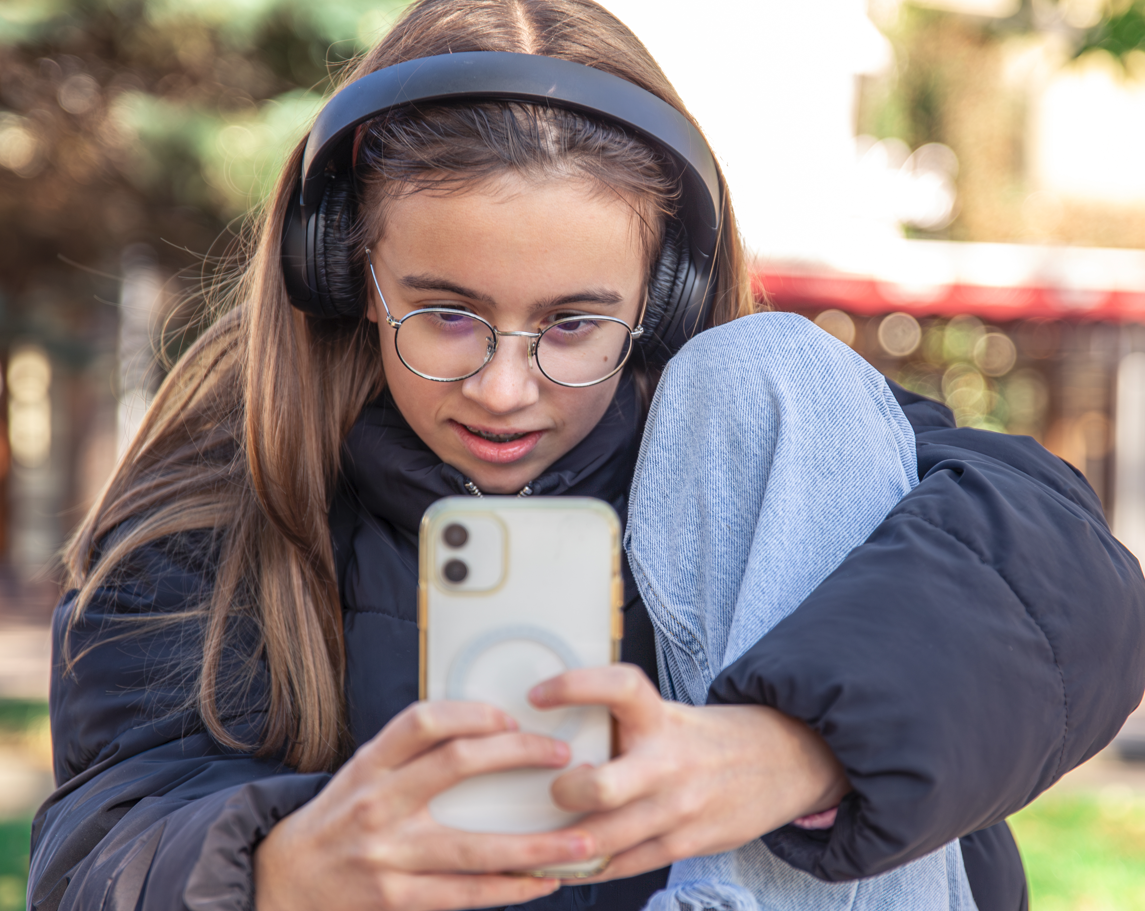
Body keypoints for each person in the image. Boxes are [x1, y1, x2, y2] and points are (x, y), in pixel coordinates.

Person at [28, 2, 1145, 911]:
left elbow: (1064, 585)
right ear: (344, 273)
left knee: (774, 368)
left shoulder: (776, 446)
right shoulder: (205, 527)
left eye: (573, 324)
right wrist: (277, 874)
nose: (506, 388)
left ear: (657, 306)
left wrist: (792, 747)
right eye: (447, 314)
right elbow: (96, 850)